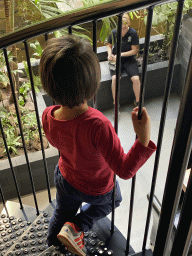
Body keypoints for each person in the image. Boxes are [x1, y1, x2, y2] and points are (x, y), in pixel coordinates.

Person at [40, 35, 156, 256]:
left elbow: (58, 141)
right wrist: (143, 138)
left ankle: (52, 247)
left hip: (65, 178)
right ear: (92, 84)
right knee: (115, 200)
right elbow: (123, 170)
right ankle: (77, 226)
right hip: (97, 188)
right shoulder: (97, 124)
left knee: (61, 212)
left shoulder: (48, 115)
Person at [107, 13, 141, 110]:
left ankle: (138, 101)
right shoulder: (113, 32)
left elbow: (134, 50)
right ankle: (115, 103)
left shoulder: (133, 33)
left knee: (135, 79)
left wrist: (120, 55)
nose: (123, 21)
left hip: (129, 59)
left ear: (129, 23)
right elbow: (108, 45)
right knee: (115, 78)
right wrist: (109, 54)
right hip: (115, 59)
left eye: (125, 19)